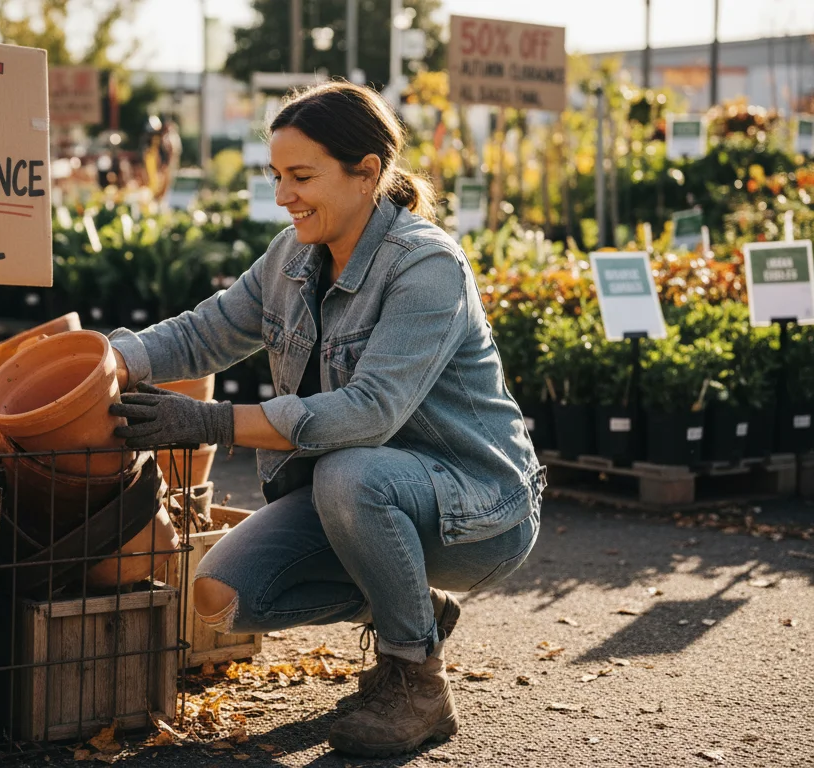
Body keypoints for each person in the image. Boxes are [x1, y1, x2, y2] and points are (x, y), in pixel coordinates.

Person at [106, 82, 545, 758]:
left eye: (302, 176)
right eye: (277, 175)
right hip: (366, 493)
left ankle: (415, 679)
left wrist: (210, 422)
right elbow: (204, 333)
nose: (284, 194)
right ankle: (418, 611)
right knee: (222, 597)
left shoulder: (426, 267)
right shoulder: (293, 256)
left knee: (349, 471)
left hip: (480, 510)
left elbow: (370, 412)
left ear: (367, 172)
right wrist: (107, 361)